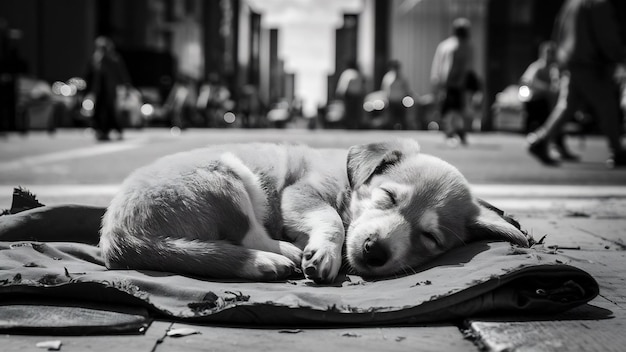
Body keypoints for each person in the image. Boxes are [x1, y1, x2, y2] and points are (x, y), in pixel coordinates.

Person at [527, 0, 626, 167]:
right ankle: (617, 150)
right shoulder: (599, 4)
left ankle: (540, 140)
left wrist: (559, 59)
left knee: (566, 106)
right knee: (607, 106)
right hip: (591, 64)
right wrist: (619, 55)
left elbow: (558, 32)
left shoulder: (571, 4)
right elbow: (607, 35)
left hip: (570, 61)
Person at [521, 42, 579, 160]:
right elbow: (526, 81)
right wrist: (545, 88)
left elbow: (556, 85)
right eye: (548, 53)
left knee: (558, 118)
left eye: (552, 53)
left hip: (550, 102)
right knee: (555, 117)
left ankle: (553, 144)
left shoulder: (554, 69)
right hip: (537, 102)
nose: (550, 56)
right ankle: (541, 141)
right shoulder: (537, 67)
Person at [431, 18, 474, 146]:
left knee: (453, 109)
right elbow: (448, 66)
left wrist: (436, 79)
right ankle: (454, 132)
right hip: (454, 83)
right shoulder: (458, 45)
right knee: (453, 108)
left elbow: (438, 65)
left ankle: (454, 131)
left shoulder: (447, 45)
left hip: (451, 83)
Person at [85, 36, 131, 141]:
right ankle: (101, 131)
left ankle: (115, 130)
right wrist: (89, 90)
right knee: (99, 111)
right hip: (99, 90)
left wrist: (126, 85)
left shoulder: (113, 58)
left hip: (109, 90)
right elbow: (90, 75)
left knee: (110, 111)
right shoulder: (95, 59)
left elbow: (121, 74)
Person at [381, 60, 412, 130]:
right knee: (391, 118)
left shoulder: (402, 77)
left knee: (401, 118)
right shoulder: (388, 77)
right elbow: (384, 88)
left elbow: (406, 88)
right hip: (391, 100)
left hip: (400, 101)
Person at [336, 60, 366, 129]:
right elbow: (362, 86)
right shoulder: (358, 73)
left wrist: (340, 93)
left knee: (349, 111)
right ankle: (354, 124)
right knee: (355, 111)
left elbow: (343, 85)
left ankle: (350, 124)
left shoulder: (347, 73)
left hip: (349, 95)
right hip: (356, 95)